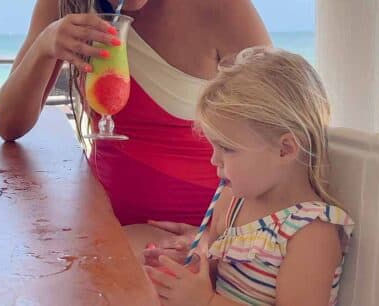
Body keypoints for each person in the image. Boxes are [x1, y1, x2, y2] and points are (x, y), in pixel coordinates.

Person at [0, 0, 271, 227]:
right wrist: (47, 44)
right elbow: (8, 125)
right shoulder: (67, 0)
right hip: (105, 233)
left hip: (199, 238)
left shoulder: (220, 2)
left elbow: (280, 136)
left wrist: (214, 240)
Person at [143, 47, 354, 306]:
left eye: (227, 148)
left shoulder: (310, 232)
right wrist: (193, 266)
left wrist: (205, 301)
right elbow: (218, 273)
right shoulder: (232, 202)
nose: (214, 160)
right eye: (214, 147)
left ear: (284, 149)